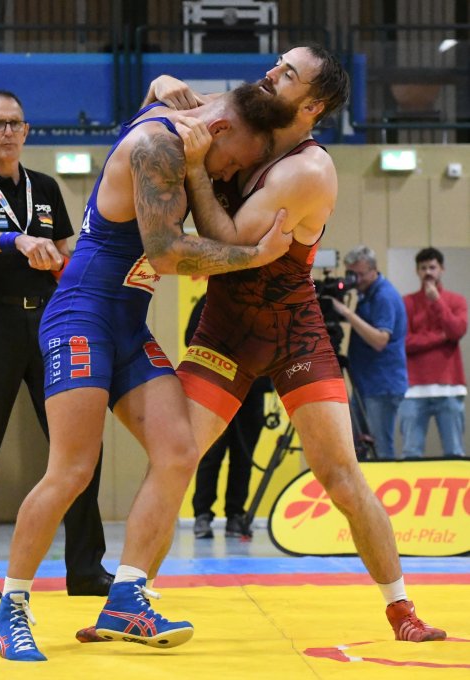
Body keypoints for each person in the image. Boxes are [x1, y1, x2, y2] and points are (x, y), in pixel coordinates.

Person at [137, 43, 445, 643]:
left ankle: (402, 610)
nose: (269, 75)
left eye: (286, 75)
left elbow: (224, 240)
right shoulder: (246, 115)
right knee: (174, 460)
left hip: (291, 325)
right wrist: (166, 82)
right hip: (226, 324)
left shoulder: (309, 168)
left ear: (314, 104)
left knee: (340, 476)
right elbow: (165, 100)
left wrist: (198, 168)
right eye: (276, 65)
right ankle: (129, 598)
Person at [0, 83, 294, 660]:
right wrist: (256, 256)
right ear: (221, 133)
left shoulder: (184, 113)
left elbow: (182, 90)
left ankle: (126, 599)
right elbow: (167, 255)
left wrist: (180, 96)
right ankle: (12, 608)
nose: (223, 178)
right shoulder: (158, 146)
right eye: (232, 164)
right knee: (72, 469)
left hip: (127, 325)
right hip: (80, 316)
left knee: (178, 450)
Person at [0, 90, 112, 601]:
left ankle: (85, 569)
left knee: (80, 448)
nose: (7, 132)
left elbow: (65, 253)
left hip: (49, 324)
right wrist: (14, 240)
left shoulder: (45, 187)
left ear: (27, 130)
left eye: (15, 123)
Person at [186, 295, 269, 539]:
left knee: (243, 457)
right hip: (216, 389)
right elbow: (191, 339)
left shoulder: (265, 304)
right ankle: (202, 515)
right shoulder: (210, 300)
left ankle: (235, 515)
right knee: (211, 454)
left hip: (252, 393)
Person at [330, 245, 408, 460]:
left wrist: (346, 312)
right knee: (359, 448)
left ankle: (387, 491)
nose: (355, 279)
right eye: (350, 273)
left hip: (381, 386)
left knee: (381, 448)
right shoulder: (365, 294)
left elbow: (380, 340)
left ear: (374, 270)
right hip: (364, 384)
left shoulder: (384, 296)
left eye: (360, 274)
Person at [400, 247, 467, 457]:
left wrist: (437, 301)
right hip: (413, 389)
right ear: (417, 271)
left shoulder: (456, 301)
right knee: (411, 453)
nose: (428, 272)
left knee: (454, 452)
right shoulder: (407, 302)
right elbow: (403, 342)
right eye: (423, 268)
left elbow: (456, 331)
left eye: (432, 267)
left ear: (441, 269)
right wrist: (440, 337)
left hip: (449, 388)